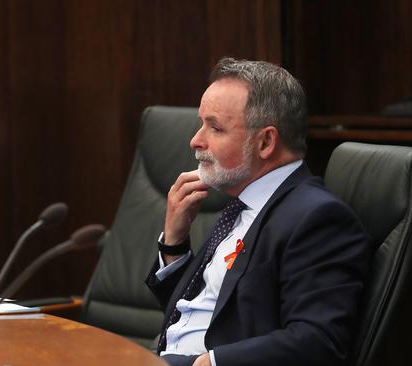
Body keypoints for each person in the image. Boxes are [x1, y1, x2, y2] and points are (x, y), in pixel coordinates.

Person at [145, 57, 372, 366]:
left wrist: (210, 363)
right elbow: (204, 309)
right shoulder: (242, 204)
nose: (195, 141)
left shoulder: (317, 219)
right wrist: (174, 242)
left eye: (215, 128)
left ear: (265, 141)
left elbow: (318, 341)